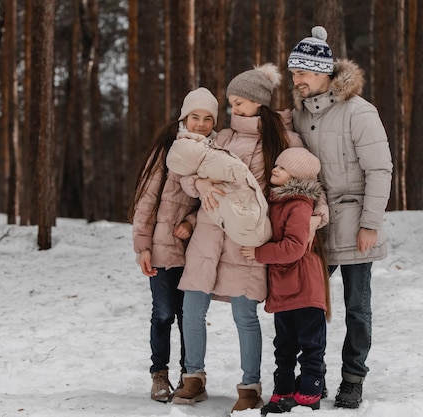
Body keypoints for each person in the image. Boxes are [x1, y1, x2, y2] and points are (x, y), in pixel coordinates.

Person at [170, 63, 304, 413]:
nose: (233, 109)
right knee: (192, 308)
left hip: (247, 241)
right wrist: (197, 184)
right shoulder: (221, 138)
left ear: (258, 102)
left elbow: (304, 184)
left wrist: (313, 218)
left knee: (245, 314)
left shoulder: (284, 140)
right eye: (231, 102)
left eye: (239, 101)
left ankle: (249, 385)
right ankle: (192, 377)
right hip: (208, 235)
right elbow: (186, 171)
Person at [287, 26, 394, 408]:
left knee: (356, 307)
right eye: (293, 73)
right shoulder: (299, 114)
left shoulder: (359, 112)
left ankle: (353, 378)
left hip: (354, 222)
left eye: (302, 73)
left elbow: (380, 170)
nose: (296, 80)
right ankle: (312, 373)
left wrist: (370, 224)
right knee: (304, 303)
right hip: (315, 225)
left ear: (324, 73)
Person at [128, 87, 218, 403]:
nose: (201, 124)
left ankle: (188, 375)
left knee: (188, 317)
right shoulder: (168, 149)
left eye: (208, 118)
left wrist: (190, 223)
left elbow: (212, 202)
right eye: (196, 117)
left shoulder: (215, 152)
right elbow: (146, 200)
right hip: (163, 249)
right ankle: (159, 374)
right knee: (164, 313)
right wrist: (143, 247)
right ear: (184, 117)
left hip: (195, 250)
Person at [240, 147, 331, 415]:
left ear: (296, 177)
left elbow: (294, 247)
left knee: (310, 343)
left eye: (281, 168)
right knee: (284, 344)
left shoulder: (299, 205)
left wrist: (259, 253)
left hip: (303, 285)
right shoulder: (278, 202)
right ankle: (283, 390)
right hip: (283, 288)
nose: (274, 169)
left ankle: (311, 391)